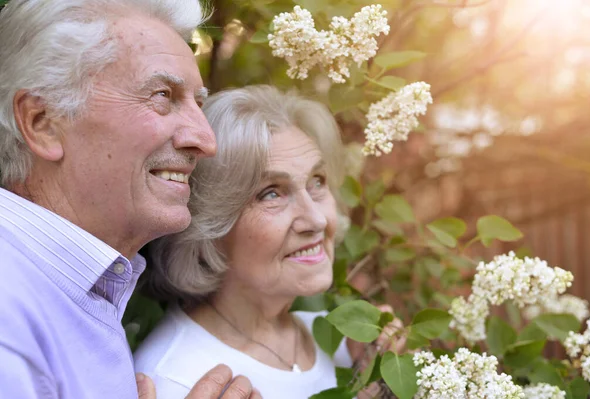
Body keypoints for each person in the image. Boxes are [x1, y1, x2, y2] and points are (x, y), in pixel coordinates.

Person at [0, 1, 259, 398]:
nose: (207, 141)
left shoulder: (75, 285)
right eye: (162, 95)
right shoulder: (10, 316)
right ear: (43, 122)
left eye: (199, 103)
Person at [134, 85, 402, 398]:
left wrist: (367, 371)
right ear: (211, 225)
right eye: (271, 193)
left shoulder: (336, 340)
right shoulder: (178, 380)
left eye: (318, 182)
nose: (316, 220)